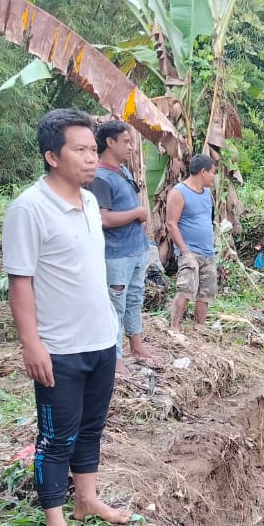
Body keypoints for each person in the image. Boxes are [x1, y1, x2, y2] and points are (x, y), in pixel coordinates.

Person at [2, 109, 131, 526]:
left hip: (100, 340)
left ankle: (87, 498)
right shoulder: (29, 209)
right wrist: (32, 344)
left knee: (91, 427)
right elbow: (21, 281)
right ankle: (56, 524)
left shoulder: (91, 202)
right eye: (80, 150)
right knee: (56, 437)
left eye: (94, 150)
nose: (91, 158)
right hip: (59, 348)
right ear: (52, 156)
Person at [89, 121, 154, 374]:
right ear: (110, 142)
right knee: (114, 306)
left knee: (135, 300)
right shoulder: (100, 178)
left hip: (136, 249)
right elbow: (103, 219)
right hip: (116, 254)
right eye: (126, 141)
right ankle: (114, 359)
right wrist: (137, 212)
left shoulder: (123, 171)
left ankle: (137, 347)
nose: (130, 146)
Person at [166, 154, 219, 331]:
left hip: (208, 253)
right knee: (186, 290)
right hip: (190, 252)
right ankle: (174, 328)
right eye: (213, 172)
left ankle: (199, 328)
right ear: (203, 172)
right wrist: (185, 251)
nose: (214, 176)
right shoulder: (179, 192)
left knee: (206, 293)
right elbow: (171, 224)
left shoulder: (207, 193)